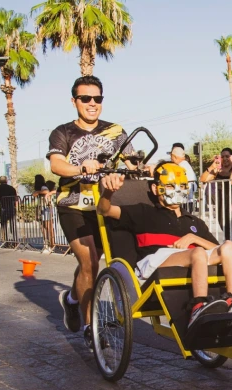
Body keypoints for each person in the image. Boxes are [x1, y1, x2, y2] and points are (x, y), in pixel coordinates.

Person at [97, 163, 232, 326]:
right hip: (155, 263)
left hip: (191, 259)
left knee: (228, 246)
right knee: (197, 253)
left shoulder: (194, 222)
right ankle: (198, 306)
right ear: (156, 189)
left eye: (181, 185)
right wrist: (108, 194)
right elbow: (105, 210)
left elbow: (217, 249)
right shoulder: (143, 212)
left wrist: (193, 238)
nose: (176, 190)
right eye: (170, 185)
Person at [47, 75, 134, 346]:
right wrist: (80, 168)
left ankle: (72, 299)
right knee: (90, 263)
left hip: (105, 204)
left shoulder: (116, 130)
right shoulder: (63, 131)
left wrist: (144, 169)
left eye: (97, 98)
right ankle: (89, 326)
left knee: (112, 258)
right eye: (85, 98)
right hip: (74, 205)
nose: (92, 103)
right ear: (75, 101)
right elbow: (56, 165)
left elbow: (132, 162)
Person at [200, 148, 232, 261]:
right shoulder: (217, 171)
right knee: (224, 228)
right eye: (222, 156)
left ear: (231, 157)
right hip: (221, 204)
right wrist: (212, 166)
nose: (225, 158)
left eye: (227, 156)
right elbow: (203, 179)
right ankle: (230, 255)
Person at [169, 143, 198, 210]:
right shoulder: (184, 164)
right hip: (187, 198)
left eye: (171, 156)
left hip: (186, 200)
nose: (171, 159)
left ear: (175, 157)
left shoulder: (181, 166)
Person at [0, 175, 18, 242]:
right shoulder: (11, 188)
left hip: (3, 208)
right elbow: (16, 198)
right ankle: (15, 239)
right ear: (6, 181)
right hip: (12, 207)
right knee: (13, 224)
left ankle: (5, 240)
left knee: (4, 224)